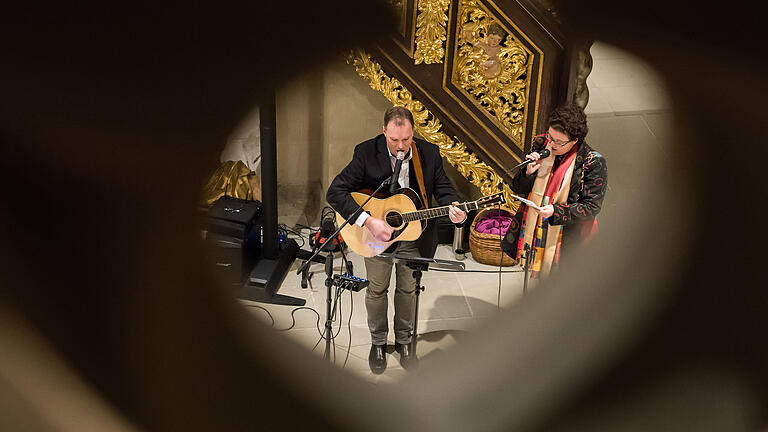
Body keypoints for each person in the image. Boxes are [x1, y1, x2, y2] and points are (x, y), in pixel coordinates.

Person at [326, 106, 466, 374]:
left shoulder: (429, 153)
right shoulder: (366, 152)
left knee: (408, 289)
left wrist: (454, 207)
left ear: (413, 132)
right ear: (384, 132)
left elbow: (443, 187)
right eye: (394, 140)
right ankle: (378, 342)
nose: (401, 147)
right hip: (374, 234)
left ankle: (405, 341)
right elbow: (336, 191)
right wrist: (368, 220)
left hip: (414, 234)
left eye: (406, 139)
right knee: (377, 290)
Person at [502, 103, 607, 278]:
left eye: (558, 142)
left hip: (567, 235)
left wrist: (556, 211)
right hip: (536, 225)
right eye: (550, 137)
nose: (552, 144)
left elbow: (591, 207)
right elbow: (519, 187)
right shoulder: (542, 143)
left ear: (575, 141)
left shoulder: (593, 162)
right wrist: (528, 172)